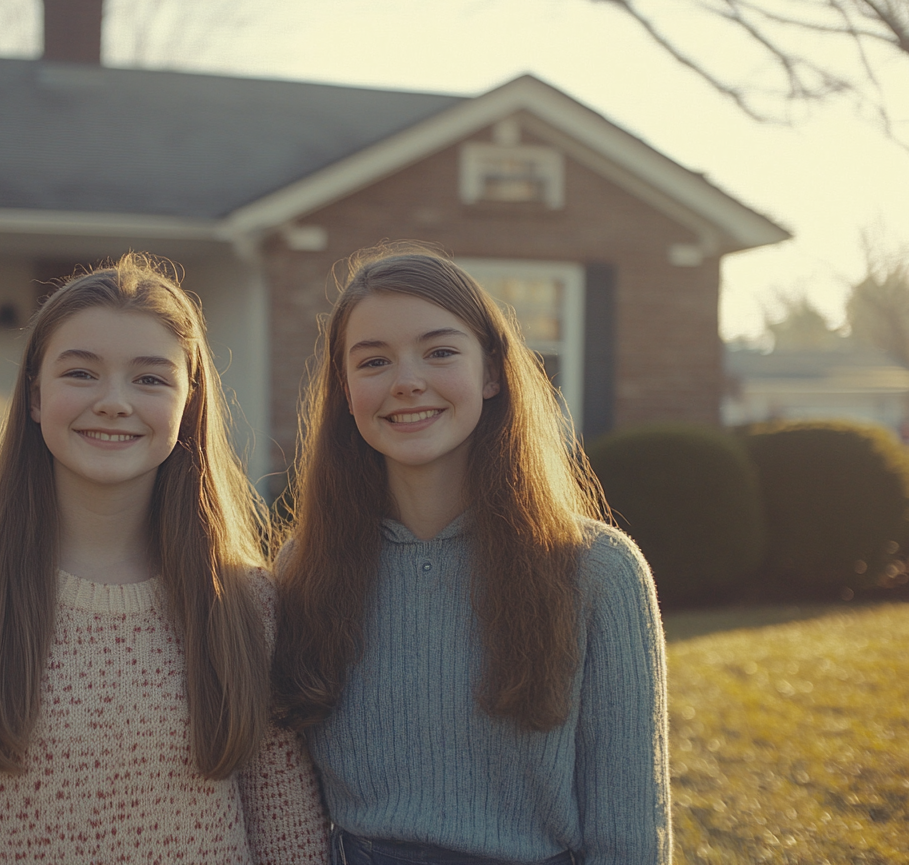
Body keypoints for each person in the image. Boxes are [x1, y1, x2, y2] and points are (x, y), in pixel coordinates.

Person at [0, 254, 327, 864]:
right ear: (35, 397)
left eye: (150, 379)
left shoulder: (247, 603)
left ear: (188, 405)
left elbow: (289, 838)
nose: (114, 402)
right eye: (81, 374)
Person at [273, 244, 670, 865]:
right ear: (346, 392)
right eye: (373, 361)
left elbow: (629, 838)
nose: (407, 381)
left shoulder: (598, 570)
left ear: (491, 374)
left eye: (439, 352)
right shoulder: (304, 569)